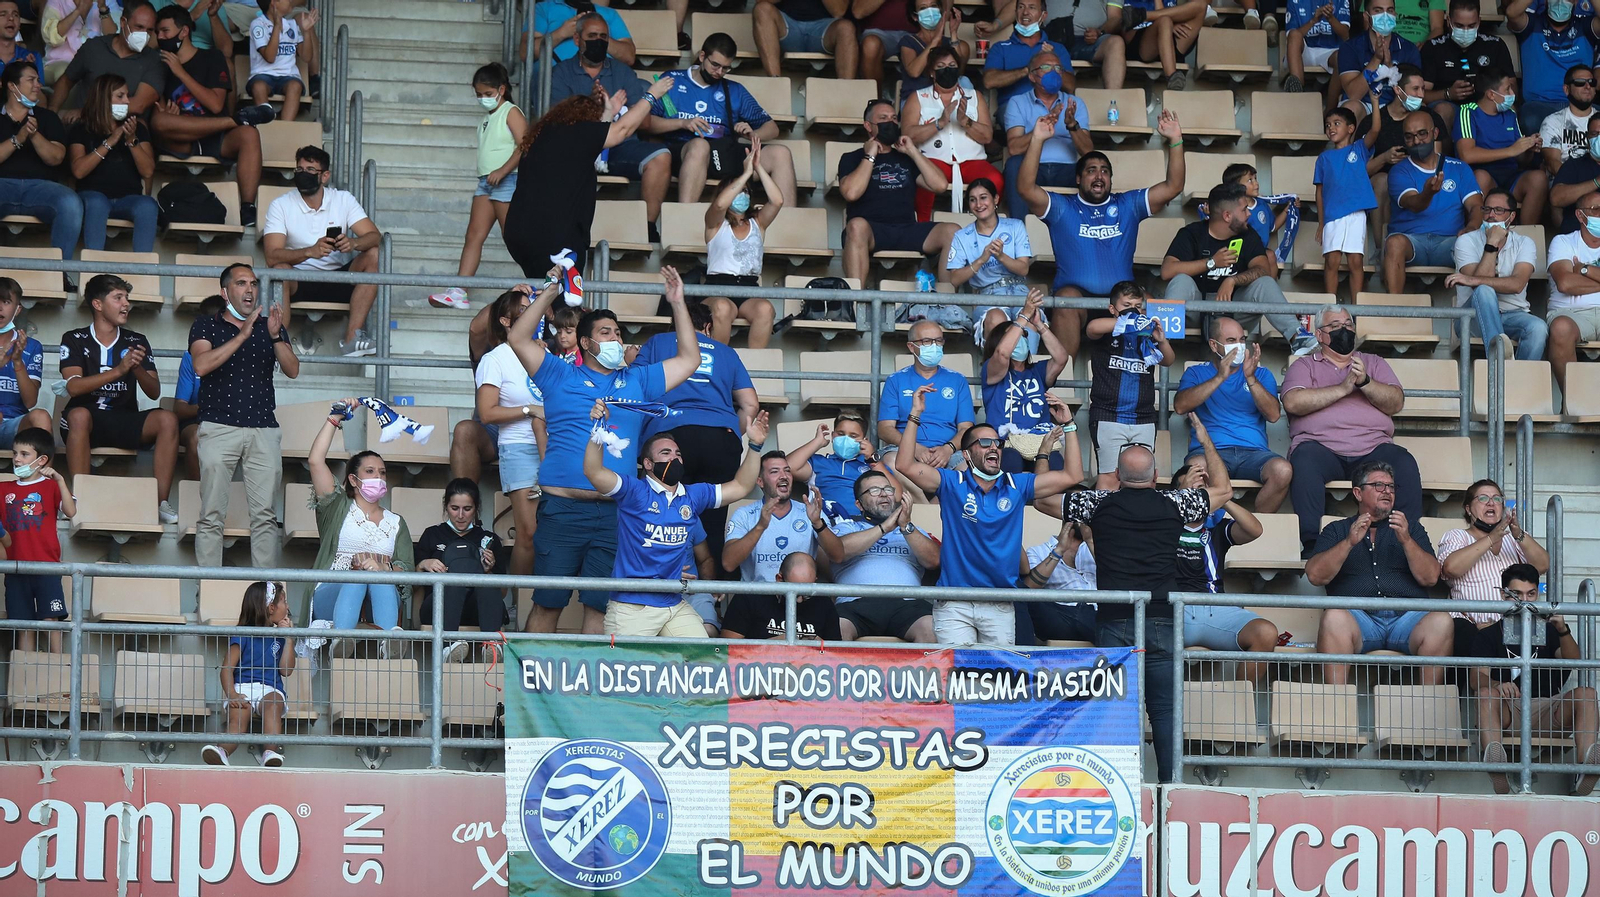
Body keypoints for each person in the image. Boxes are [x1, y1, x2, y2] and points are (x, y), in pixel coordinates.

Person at [506, 266, 701, 634]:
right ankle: (529, 691)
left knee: (599, 610)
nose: (616, 338)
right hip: (562, 509)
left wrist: (678, 304)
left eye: (618, 332)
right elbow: (517, 337)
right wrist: (550, 291)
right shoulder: (558, 374)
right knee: (547, 605)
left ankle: (588, 693)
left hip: (616, 513)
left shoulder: (638, 379)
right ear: (585, 343)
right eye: (606, 332)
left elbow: (690, 360)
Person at [1048, 413, 1235, 782]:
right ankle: (1170, 785)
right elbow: (1225, 491)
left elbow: (1042, 501)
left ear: (1117, 476)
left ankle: (1117, 783)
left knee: (1115, 710)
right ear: (1154, 477)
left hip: (1114, 620)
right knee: (1164, 711)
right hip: (1163, 617)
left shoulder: (1097, 504)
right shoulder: (1175, 503)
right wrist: (1204, 439)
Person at [897, 393, 1096, 646]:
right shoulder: (951, 483)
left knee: (999, 679)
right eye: (985, 442)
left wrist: (1069, 425)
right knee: (958, 679)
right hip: (955, 602)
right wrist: (915, 415)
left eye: (998, 443)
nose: (994, 447)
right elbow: (904, 465)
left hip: (1001, 602)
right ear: (967, 455)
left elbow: (1072, 475)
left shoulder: (1017, 484)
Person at [1019, 110, 1186, 362]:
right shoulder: (1063, 207)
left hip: (1123, 300)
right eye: (1091, 170)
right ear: (1078, 178)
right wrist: (1037, 140)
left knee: (1153, 304)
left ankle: (1153, 380)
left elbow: (1174, 186)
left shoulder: (1128, 204)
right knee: (1065, 300)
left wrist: (1175, 140)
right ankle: (1061, 382)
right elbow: (1025, 188)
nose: (1099, 176)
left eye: (1105, 171)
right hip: (1077, 301)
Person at [585, 414, 769, 637]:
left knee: (700, 659)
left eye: (678, 454)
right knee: (629, 670)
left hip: (673, 603)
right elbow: (594, 472)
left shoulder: (693, 495)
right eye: (666, 453)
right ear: (648, 464)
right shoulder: (635, 491)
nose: (674, 458)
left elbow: (741, 486)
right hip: (632, 607)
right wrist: (598, 429)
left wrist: (756, 445)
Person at [502, 76, 674, 279]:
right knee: (563, 303)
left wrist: (608, 111)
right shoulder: (577, 133)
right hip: (554, 238)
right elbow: (621, 130)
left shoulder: (546, 135)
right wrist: (652, 94)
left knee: (542, 297)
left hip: (520, 234)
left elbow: (595, 141)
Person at [1283, 305, 1422, 551]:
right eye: (1335, 326)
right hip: (1321, 448)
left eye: (1348, 325)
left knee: (1404, 461)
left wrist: (1366, 382)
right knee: (1303, 459)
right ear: (1319, 335)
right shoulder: (1305, 366)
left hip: (1372, 449)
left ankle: (1406, 541)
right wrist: (1342, 389)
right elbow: (1293, 402)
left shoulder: (1373, 362)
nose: (1343, 330)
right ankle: (1313, 544)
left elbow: (1396, 402)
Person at [635, 300, 758, 577]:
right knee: (713, 521)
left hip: (672, 437)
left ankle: (663, 585)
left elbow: (635, 386)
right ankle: (710, 602)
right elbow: (750, 405)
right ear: (708, 327)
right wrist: (726, 430)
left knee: (664, 514)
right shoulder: (727, 352)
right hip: (721, 440)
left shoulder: (658, 342)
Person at [191, 262, 299, 569]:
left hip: (263, 428)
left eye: (253, 283)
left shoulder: (272, 326)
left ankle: (267, 598)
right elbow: (200, 366)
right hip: (218, 426)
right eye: (241, 283)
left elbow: (293, 370)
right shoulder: (205, 325)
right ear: (225, 292)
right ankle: (209, 589)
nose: (249, 289)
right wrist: (242, 335)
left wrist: (276, 337)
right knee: (211, 514)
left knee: (265, 516)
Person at [1307, 460, 1448, 683]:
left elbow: (1430, 577)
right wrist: (1349, 543)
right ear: (1358, 493)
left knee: (1441, 620)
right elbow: (1315, 576)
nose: (1387, 492)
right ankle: (1335, 706)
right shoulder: (1337, 529)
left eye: (1391, 487)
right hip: (1358, 619)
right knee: (1334, 616)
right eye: (1379, 486)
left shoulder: (1410, 528)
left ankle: (1429, 709)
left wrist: (1407, 541)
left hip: (1407, 620)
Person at [541, 13, 672, 243]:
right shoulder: (560, 73)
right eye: (592, 36)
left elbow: (646, 123)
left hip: (620, 146)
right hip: (578, 151)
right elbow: (557, 123)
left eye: (603, 36)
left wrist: (615, 109)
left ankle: (648, 228)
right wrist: (593, 107)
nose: (598, 41)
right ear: (577, 40)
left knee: (660, 156)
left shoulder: (623, 72)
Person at [59, 274, 179, 523]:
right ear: (97, 304)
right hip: (85, 422)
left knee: (167, 419)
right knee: (79, 415)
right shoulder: (74, 338)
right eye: (118, 298)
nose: (126, 304)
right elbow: (74, 388)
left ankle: (159, 502)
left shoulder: (137, 341)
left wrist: (135, 368)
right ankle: (79, 498)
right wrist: (119, 370)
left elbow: (154, 391)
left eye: (127, 298)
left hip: (123, 419)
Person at [1471, 563, 1599, 796]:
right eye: (1517, 594)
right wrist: (1496, 685)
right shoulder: (1488, 635)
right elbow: (1476, 679)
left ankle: (1586, 768)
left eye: (1531, 594)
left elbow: (1574, 660)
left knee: (1587, 694)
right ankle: (1496, 766)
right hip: (1510, 712)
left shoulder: (1549, 630)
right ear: (1503, 594)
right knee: (1486, 694)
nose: (1524, 601)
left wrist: (1562, 630)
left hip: (1548, 709)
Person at [307, 404, 414, 656]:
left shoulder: (397, 522)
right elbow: (315, 461)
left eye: (382, 473)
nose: (379, 476)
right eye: (370, 471)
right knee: (358, 575)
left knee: (377, 576)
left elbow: (407, 570)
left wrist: (384, 569)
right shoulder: (336, 508)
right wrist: (335, 417)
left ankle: (391, 644)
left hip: (381, 598)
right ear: (353, 480)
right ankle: (342, 639)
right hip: (331, 595)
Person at [150, 4, 267, 228]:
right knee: (158, 121)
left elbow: (215, 104)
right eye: (157, 32)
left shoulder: (212, 57)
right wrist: (165, 109)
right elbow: (158, 108)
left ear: (183, 32)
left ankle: (248, 208)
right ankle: (236, 119)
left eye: (165, 31)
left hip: (216, 136)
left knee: (250, 134)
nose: (160, 37)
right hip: (182, 138)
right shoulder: (160, 64)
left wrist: (181, 73)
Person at [646, 33, 797, 205]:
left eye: (725, 68)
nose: (719, 72)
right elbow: (647, 123)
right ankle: (685, 216)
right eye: (715, 65)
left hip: (722, 153)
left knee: (781, 153)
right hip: (682, 152)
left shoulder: (734, 90)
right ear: (702, 56)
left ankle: (787, 224)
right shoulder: (671, 80)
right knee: (699, 145)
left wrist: (751, 134)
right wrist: (682, 123)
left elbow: (772, 128)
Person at [1162, 182, 1314, 352]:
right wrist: (1211, 262)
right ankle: (1160, 343)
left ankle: (1297, 337)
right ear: (1227, 216)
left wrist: (1232, 280)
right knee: (1180, 280)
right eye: (1244, 210)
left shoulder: (1248, 234)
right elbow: (1167, 271)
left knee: (1265, 282)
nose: (1249, 214)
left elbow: (1263, 269)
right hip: (1196, 308)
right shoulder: (1192, 233)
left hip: (1234, 308)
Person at [262, 145, 382, 357]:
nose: (302, 174)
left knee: (373, 254)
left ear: (325, 176)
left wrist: (353, 244)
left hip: (337, 280)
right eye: (299, 170)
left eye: (310, 170)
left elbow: (374, 236)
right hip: (298, 279)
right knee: (280, 270)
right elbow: (272, 255)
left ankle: (352, 339)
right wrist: (310, 252)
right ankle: (279, 346)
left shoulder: (343, 199)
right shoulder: (280, 205)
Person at [1169, 460, 1278, 683]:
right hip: (1171, 609)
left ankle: (1241, 708)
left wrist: (1221, 496)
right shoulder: (1162, 524)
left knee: (1265, 633)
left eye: (1201, 491)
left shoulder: (1216, 527)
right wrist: (1181, 496)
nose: (1196, 496)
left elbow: (1255, 530)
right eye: (1190, 490)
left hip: (1216, 609)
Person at [427, 64, 524, 311]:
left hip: (507, 180)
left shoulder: (511, 112)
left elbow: (526, 144)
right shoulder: (486, 118)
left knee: (513, 236)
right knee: (473, 235)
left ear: (501, 89)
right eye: (478, 94)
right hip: (486, 182)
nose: (482, 98)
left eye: (487, 93)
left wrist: (503, 171)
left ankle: (544, 283)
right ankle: (459, 290)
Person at [1173, 317, 1292, 512]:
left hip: (1254, 453)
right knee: (1196, 468)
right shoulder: (1196, 373)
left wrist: (1250, 378)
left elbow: (1273, 415)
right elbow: (1180, 406)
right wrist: (1220, 377)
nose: (1238, 346)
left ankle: (1256, 528)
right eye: (1230, 341)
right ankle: (1211, 529)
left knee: (1283, 470)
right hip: (1209, 450)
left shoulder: (1261, 374)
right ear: (1214, 345)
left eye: (1241, 339)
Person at [839, 98, 958, 284]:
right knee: (855, 226)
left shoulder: (906, 158)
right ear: (868, 126)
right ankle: (854, 304)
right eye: (884, 118)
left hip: (907, 229)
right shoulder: (852, 158)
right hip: (871, 231)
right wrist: (870, 155)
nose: (891, 122)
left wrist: (912, 151)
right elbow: (851, 193)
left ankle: (947, 305)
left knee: (953, 231)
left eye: (894, 118)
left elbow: (940, 185)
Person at [472, 286, 545, 580]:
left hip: (555, 445)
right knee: (529, 534)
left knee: (552, 533)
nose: (532, 314)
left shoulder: (544, 352)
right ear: (505, 320)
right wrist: (530, 410)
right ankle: (518, 604)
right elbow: (488, 413)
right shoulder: (495, 359)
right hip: (519, 448)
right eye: (524, 309)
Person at [1437, 478, 1549, 651]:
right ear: (1468, 509)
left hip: (1515, 625)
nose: (1491, 503)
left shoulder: (1515, 538)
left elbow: (1542, 566)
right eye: (1483, 498)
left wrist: (1518, 534)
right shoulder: (1457, 536)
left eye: (1497, 499)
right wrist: (1491, 539)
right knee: (1468, 636)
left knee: (1552, 636)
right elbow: (1451, 568)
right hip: (1471, 626)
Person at [825, 472, 937, 642]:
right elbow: (839, 551)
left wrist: (905, 526)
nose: (884, 494)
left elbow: (934, 560)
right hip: (855, 604)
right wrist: (884, 528)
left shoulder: (913, 531)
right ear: (859, 504)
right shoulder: (846, 528)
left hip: (907, 604)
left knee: (931, 629)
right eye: (875, 490)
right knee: (836, 629)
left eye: (888, 489)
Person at [1383, 110, 1484, 293]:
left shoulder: (1459, 168)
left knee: (1471, 242)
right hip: (1412, 241)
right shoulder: (1399, 171)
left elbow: (1477, 205)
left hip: (1450, 241)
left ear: (1434, 133)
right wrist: (1428, 193)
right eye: (1409, 137)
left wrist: (1472, 227)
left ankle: (1472, 311)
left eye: (1422, 134)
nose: (1417, 141)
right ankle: (1393, 310)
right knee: (1394, 243)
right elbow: (1414, 204)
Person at [1085, 282, 1172, 490]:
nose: (1134, 309)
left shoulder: (1146, 333)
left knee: (1145, 479)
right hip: (1108, 416)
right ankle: (1103, 523)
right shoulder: (1107, 330)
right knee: (1109, 479)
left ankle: (1140, 523)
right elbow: (1091, 328)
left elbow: (1168, 360)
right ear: (1112, 309)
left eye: (1138, 305)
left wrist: (1162, 340)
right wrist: (1127, 322)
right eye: (1127, 305)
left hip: (1143, 418)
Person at [982, 292, 1080, 475]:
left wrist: (1039, 326)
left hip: (1040, 441)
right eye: (1014, 336)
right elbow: (1002, 354)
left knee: (1056, 461)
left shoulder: (1037, 371)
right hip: (1006, 444)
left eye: (1024, 336)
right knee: (1011, 461)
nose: (1020, 339)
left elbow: (1061, 358)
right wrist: (1023, 317)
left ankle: (1046, 504)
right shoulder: (991, 369)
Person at [201, 580, 294, 768]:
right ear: (270, 607)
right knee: (238, 719)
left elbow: (286, 670)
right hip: (241, 688)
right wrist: (232, 695)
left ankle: (270, 753)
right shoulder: (242, 634)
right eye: (284, 602)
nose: (287, 607)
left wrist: (289, 639)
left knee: (274, 704)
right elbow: (227, 669)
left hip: (270, 688)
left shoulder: (281, 636)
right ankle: (222, 752)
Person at [414, 479, 507, 663]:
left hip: (477, 610)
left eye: (467, 509)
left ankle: (490, 644)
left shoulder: (489, 539)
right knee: (459, 569)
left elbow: (502, 593)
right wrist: (424, 564)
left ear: (476, 508)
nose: (461, 515)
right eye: (454, 508)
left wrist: (488, 572)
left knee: (475, 573)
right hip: (438, 608)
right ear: (446, 506)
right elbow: (413, 586)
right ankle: (449, 644)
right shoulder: (432, 534)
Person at [699, 137, 781, 347]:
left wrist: (757, 168)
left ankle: (752, 370)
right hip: (717, 288)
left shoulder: (758, 223)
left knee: (766, 309)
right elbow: (719, 205)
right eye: (737, 190)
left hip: (748, 289)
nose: (742, 194)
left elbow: (777, 200)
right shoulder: (715, 224)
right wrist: (744, 174)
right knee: (723, 309)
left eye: (745, 191)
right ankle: (720, 366)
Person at [1447, 189, 1547, 360]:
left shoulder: (1524, 243)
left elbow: (1517, 284)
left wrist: (1472, 279)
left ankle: (1517, 383)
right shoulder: (1466, 241)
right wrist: (1491, 243)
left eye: (1499, 210)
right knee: (1484, 291)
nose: (1491, 215)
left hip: (1513, 314)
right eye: (1487, 209)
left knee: (1538, 328)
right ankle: (1499, 358)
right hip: (1471, 317)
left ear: (1512, 216)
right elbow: (1479, 286)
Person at [0, 60, 82, 263]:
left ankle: (60, 274)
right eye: (31, 80)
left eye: (38, 80)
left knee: (70, 203)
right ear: (12, 86)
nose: (38, 84)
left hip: (41, 188)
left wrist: (34, 134)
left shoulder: (47, 118)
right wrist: (17, 139)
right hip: (3, 185)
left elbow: (57, 158)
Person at [902, 44, 996, 220]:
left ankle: (987, 229)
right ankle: (921, 231)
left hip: (972, 161)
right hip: (932, 161)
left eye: (952, 66)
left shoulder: (975, 96)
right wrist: (940, 123)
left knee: (994, 180)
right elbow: (907, 136)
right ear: (931, 72)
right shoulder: (918, 97)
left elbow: (987, 136)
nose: (947, 70)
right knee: (925, 181)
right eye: (941, 67)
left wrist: (965, 122)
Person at [66, 74, 157, 252]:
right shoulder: (81, 129)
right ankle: (94, 269)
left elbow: (148, 171)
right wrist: (110, 142)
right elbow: (78, 171)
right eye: (120, 96)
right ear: (103, 99)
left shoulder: (137, 129)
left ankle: (144, 270)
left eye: (127, 96)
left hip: (128, 198)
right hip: (92, 196)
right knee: (97, 202)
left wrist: (131, 141)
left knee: (148, 205)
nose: (127, 101)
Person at [878, 319, 975, 482]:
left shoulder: (957, 380)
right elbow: (884, 428)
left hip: (948, 451)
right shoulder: (896, 380)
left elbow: (966, 428)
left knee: (971, 468)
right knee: (890, 462)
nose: (934, 346)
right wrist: (913, 448)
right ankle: (929, 505)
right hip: (904, 449)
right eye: (927, 341)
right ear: (911, 346)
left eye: (938, 341)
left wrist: (948, 449)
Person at [1354, 65, 1445, 238]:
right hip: (1385, 185)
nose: (1421, 95)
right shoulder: (1374, 122)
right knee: (1382, 180)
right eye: (1415, 89)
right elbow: (1358, 173)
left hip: (1419, 180)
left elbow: (1437, 163)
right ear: (1397, 89)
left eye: (1423, 89)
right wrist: (1384, 158)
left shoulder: (1430, 119)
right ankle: (1381, 248)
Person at [999, 51, 1090, 220]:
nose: (1053, 72)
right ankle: (1020, 229)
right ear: (1032, 76)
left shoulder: (1074, 103)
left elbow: (1088, 150)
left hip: (1067, 170)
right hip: (1033, 169)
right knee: (1013, 164)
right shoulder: (1018, 102)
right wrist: (1039, 131)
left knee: (1092, 165)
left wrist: (1072, 125)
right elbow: (1013, 147)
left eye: (1057, 68)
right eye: (1046, 67)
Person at [1, 428, 68, 653]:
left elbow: (71, 510)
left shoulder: (51, 486)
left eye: (24, 453)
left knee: (52, 621)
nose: (17, 458)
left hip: (46, 566)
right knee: (24, 627)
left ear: (42, 460)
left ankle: (61, 675)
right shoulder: (3, 489)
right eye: (14, 453)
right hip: (15, 568)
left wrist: (59, 479)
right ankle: (24, 682)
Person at [1455, 70, 1549, 228]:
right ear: (1491, 95)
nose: (1512, 93)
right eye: (1507, 89)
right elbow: (1467, 155)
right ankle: (1477, 234)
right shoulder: (1468, 111)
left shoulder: (1510, 113)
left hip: (1511, 176)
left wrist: (1527, 149)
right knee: (1481, 176)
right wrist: (1511, 150)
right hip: (1484, 177)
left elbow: (1521, 160)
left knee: (1538, 178)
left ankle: (1525, 237)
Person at [950, 179, 1034, 342]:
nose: (978, 204)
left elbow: (1024, 269)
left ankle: (1026, 366)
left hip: (1019, 291)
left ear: (995, 199)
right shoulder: (961, 236)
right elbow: (954, 279)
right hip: (987, 295)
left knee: (1031, 319)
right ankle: (997, 367)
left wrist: (1000, 256)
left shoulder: (1016, 226)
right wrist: (981, 259)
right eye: (973, 200)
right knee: (995, 319)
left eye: (983, 197)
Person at [1315, 107, 1384, 299]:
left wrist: (1375, 100)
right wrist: (1321, 223)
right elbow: (1319, 193)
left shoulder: (1359, 149)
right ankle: (1330, 305)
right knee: (1332, 261)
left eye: (1337, 123)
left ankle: (1357, 309)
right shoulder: (1324, 158)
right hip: (1333, 216)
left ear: (1351, 128)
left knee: (1355, 262)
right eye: (1328, 125)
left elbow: (1376, 129)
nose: (1331, 128)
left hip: (1355, 214)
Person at [52, 1, 162, 122]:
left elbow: (138, 105)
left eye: (149, 30)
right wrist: (51, 113)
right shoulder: (94, 47)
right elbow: (66, 81)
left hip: (126, 130)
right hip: (83, 127)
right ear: (123, 22)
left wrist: (86, 113)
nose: (144, 34)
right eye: (139, 27)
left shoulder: (154, 61)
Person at [723, 451, 824, 581]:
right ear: (760, 481)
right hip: (757, 595)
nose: (784, 476)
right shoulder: (744, 514)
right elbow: (728, 564)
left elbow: (838, 556)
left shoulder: (810, 511)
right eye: (775, 472)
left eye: (787, 471)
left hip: (801, 595)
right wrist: (760, 527)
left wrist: (818, 524)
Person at [1507, 0, 1600, 135]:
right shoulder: (1531, 25)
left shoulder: (1585, 26)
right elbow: (1511, 13)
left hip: (1579, 105)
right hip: (1539, 105)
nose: (1560, 2)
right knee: (1530, 121)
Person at [786, 411, 898, 520]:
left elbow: (897, 495)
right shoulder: (819, 462)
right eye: (840, 434)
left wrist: (873, 459)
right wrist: (817, 442)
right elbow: (788, 468)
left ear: (864, 440)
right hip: (829, 523)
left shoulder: (873, 465)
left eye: (853, 436)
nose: (846, 439)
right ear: (833, 436)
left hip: (866, 524)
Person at [984, 0, 1090, 110]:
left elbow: (1070, 86)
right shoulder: (1001, 47)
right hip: (1015, 108)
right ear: (1016, 13)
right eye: (1021, 7)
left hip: (1051, 108)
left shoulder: (1057, 49)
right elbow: (989, 81)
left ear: (1043, 15)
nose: (1025, 12)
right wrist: (1029, 68)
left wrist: (1051, 63)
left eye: (1032, 7)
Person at [1421, 0, 1512, 124]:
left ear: (1479, 22)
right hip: (1448, 104)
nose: (1465, 31)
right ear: (1449, 21)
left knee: (1510, 109)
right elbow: (1421, 94)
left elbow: (1512, 90)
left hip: (1488, 104)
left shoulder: (1495, 45)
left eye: (1471, 26)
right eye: (1459, 26)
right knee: (1442, 110)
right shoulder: (1433, 47)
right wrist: (1448, 93)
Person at [721, 551, 841, 640]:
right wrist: (778, 643)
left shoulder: (823, 604)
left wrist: (821, 646)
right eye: (793, 593)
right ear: (779, 579)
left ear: (814, 581)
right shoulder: (750, 597)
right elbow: (727, 651)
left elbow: (838, 657)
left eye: (806, 594)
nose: (799, 600)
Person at [1336, 0, 1422, 121]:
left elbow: (1413, 92)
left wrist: (1390, 67)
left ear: (1395, 15)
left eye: (1390, 10)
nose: (1385, 15)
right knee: (1351, 108)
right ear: (1366, 16)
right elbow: (1353, 94)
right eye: (1378, 10)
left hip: (1396, 106)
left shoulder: (1409, 49)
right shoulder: (1350, 47)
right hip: (1364, 105)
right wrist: (1376, 60)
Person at [1550, 192, 1600, 387]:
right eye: (1596, 210)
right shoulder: (1563, 242)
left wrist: (1584, 269)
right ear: (1580, 216)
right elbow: (1565, 284)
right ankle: (1573, 402)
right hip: (1571, 314)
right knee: (1561, 328)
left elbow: (1573, 280)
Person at [1023, 516, 1098, 643]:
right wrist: (1059, 550)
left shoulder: (1096, 548)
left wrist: (1090, 541)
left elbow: (1118, 577)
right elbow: (1028, 590)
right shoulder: (1039, 551)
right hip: (1059, 617)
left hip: (1096, 615)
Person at [174, 293, 224, 481]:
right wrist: (208, 407)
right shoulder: (190, 358)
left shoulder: (239, 354)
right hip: (196, 422)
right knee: (198, 436)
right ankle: (198, 499)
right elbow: (179, 409)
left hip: (231, 423)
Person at [1107, 0, 1210, 90]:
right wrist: (1169, 24)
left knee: (1201, 6)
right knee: (1165, 21)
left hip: (1170, 39)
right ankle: (1172, 77)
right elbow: (1112, 25)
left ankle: (1142, 15)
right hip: (1142, 45)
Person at [0, 279, 52, 448]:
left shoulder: (31, 346)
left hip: (15, 426)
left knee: (41, 417)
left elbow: (30, 402)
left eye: (6, 302)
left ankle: (44, 476)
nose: (0, 308)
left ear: (17, 310)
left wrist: (17, 362)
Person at [753, 0, 858, 79]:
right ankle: (776, 84)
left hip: (824, 31)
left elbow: (839, 11)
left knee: (846, 28)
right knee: (762, 9)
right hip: (787, 28)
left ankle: (846, 94)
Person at [247, 0, 315, 122]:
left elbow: (306, 57)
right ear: (274, 3)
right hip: (263, 74)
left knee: (295, 86)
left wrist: (306, 32)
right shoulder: (258, 24)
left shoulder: (292, 24)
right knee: (259, 86)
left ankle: (285, 128)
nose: (289, 1)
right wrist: (277, 27)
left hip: (288, 75)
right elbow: (270, 57)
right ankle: (265, 127)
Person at [890, 0, 968, 103]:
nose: (929, 11)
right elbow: (914, 72)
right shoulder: (908, 41)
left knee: (965, 81)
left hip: (946, 99)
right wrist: (935, 40)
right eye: (923, 8)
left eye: (933, 6)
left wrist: (953, 32)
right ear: (915, 17)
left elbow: (958, 72)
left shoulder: (949, 42)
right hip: (915, 100)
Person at [531, 0, 634, 66]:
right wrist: (562, 32)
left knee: (644, 87)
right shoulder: (543, 9)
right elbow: (525, 53)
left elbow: (629, 57)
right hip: (554, 85)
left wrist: (596, 35)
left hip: (603, 80)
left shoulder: (609, 13)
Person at [40, 0, 118, 84]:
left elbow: (114, 38)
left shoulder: (108, 2)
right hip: (59, 61)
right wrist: (78, 10)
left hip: (96, 63)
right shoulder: (56, 1)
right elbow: (51, 37)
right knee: (67, 73)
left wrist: (103, 9)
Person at [1282, 0, 1350, 95]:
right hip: (1305, 51)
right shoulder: (1294, 1)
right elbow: (1291, 37)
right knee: (1294, 35)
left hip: (1330, 52)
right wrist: (1313, 21)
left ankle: (1331, 109)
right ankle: (1297, 95)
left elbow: (1345, 35)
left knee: (1343, 56)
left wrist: (1330, 18)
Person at [1540, 65, 1596, 175]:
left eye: (1592, 82)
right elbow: (1552, 162)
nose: (1588, 86)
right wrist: (1579, 183)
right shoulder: (1552, 122)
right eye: (1580, 82)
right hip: (1565, 184)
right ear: (1566, 89)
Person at [1553, 115, 1600, 232]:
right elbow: (1556, 198)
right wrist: (1597, 182)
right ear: (1587, 139)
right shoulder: (1574, 165)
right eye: (1594, 134)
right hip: (1578, 238)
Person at [854, 0, 910, 92]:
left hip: (918, 31)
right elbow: (858, 12)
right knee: (870, 45)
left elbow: (941, 8)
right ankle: (876, 101)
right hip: (878, 32)